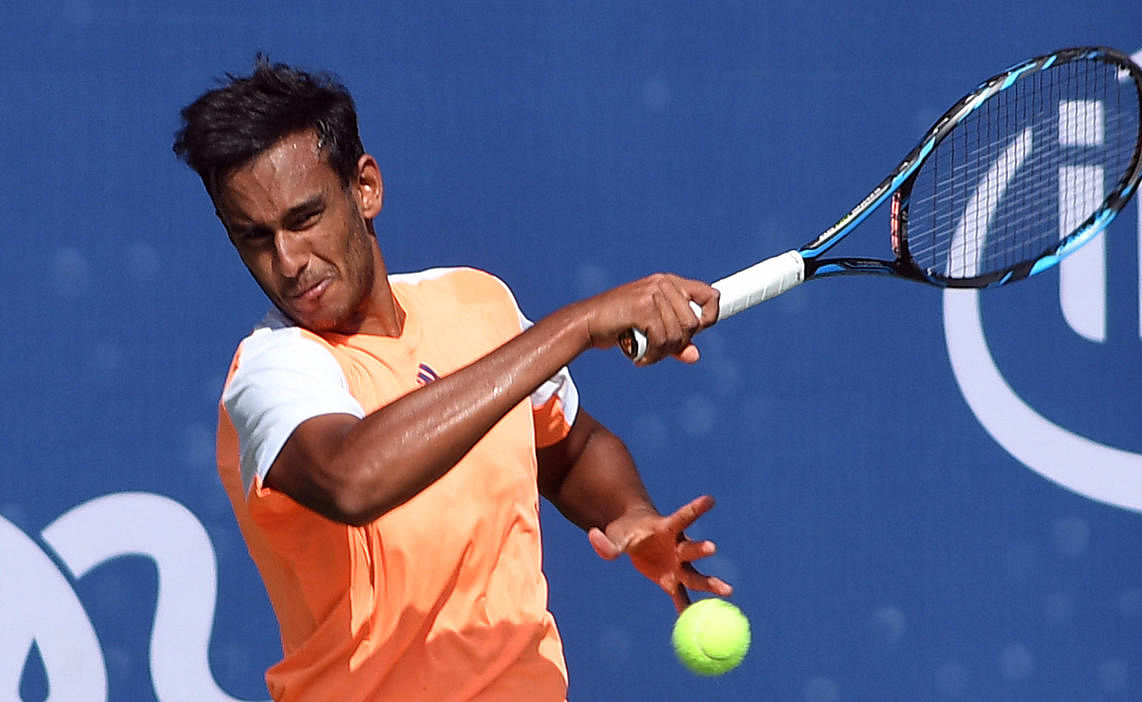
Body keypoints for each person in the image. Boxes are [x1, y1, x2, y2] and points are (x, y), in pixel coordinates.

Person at [174, 56, 732, 702]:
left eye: (304, 219)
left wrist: (632, 515)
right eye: (256, 238)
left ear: (366, 188)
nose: (289, 262)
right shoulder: (272, 371)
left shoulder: (476, 303)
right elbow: (353, 479)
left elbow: (568, 450)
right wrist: (575, 326)